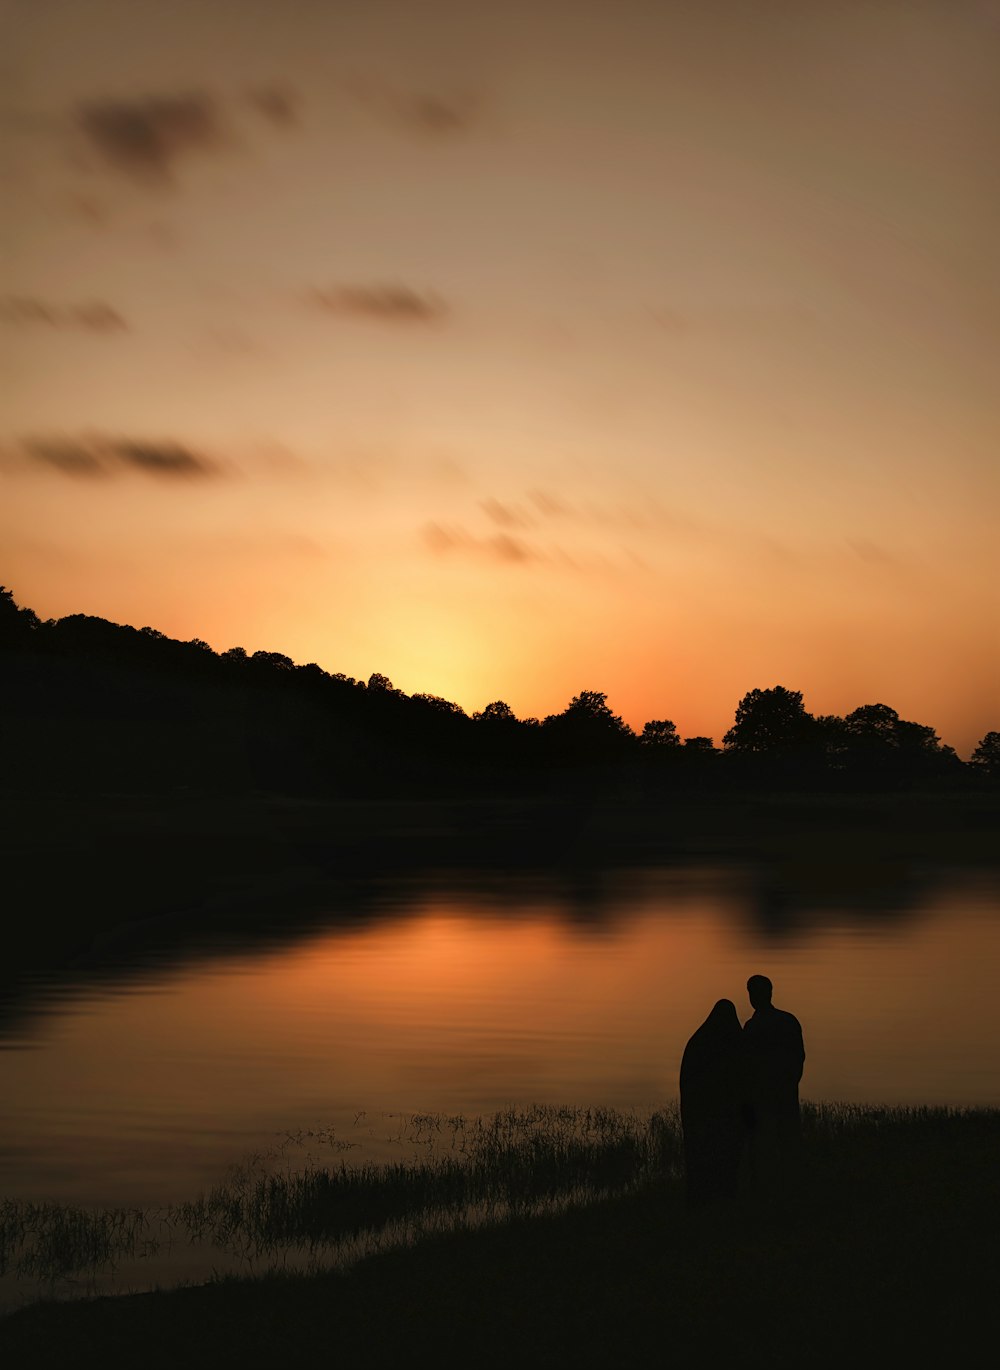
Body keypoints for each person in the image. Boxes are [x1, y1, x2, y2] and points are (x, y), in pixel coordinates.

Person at [679, 998, 746, 1208]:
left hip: (701, 1110)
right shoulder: (732, 1041)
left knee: (704, 1149)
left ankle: (705, 1196)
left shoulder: (698, 1041)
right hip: (715, 1110)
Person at [742, 974, 805, 1193]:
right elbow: (799, 1057)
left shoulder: (752, 1027)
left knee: (763, 1146)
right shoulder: (789, 1020)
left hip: (763, 1097)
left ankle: (767, 1191)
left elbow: (747, 1066)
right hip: (786, 1091)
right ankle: (792, 1187)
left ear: (753, 996)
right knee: (789, 1141)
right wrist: (790, 1082)